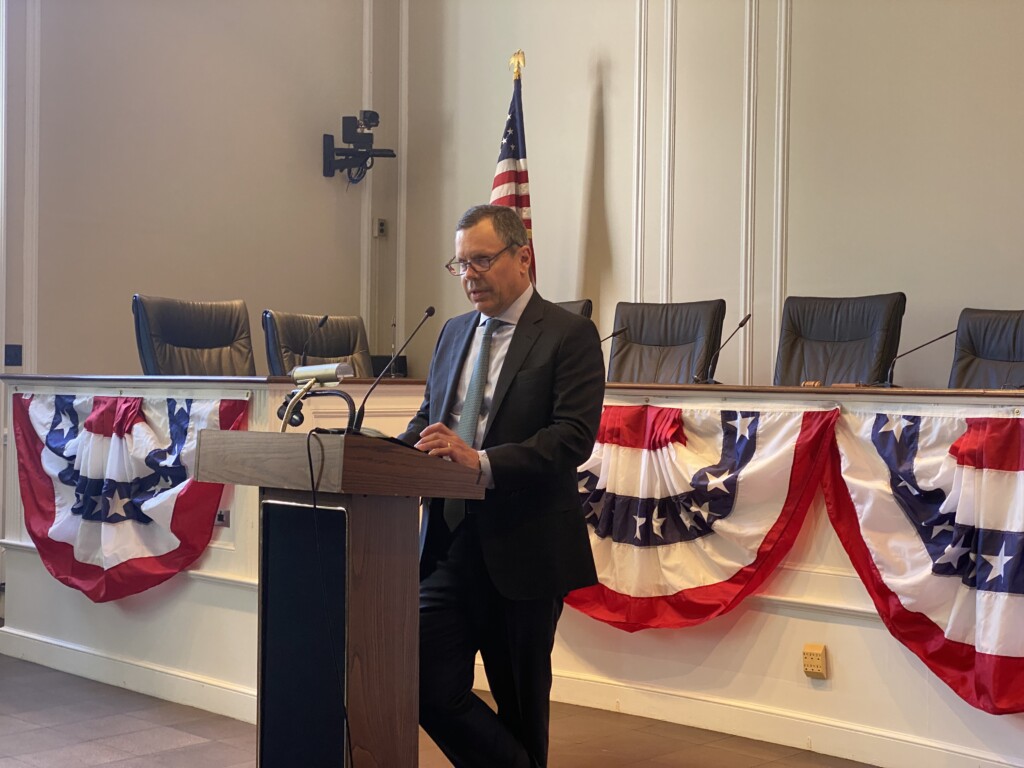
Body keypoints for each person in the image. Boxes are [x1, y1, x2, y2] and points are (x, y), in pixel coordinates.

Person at [399, 204, 605, 767]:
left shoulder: (570, 334)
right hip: (445, 543)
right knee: (420, 685)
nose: (469, 276)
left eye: (482, 261)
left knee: (520, 708)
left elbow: (572, 437)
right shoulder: (452, 333)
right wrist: (375, 453)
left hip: (526, 548)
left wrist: (481, 462)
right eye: (460, 264)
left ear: (523, 257)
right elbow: (427, 422)